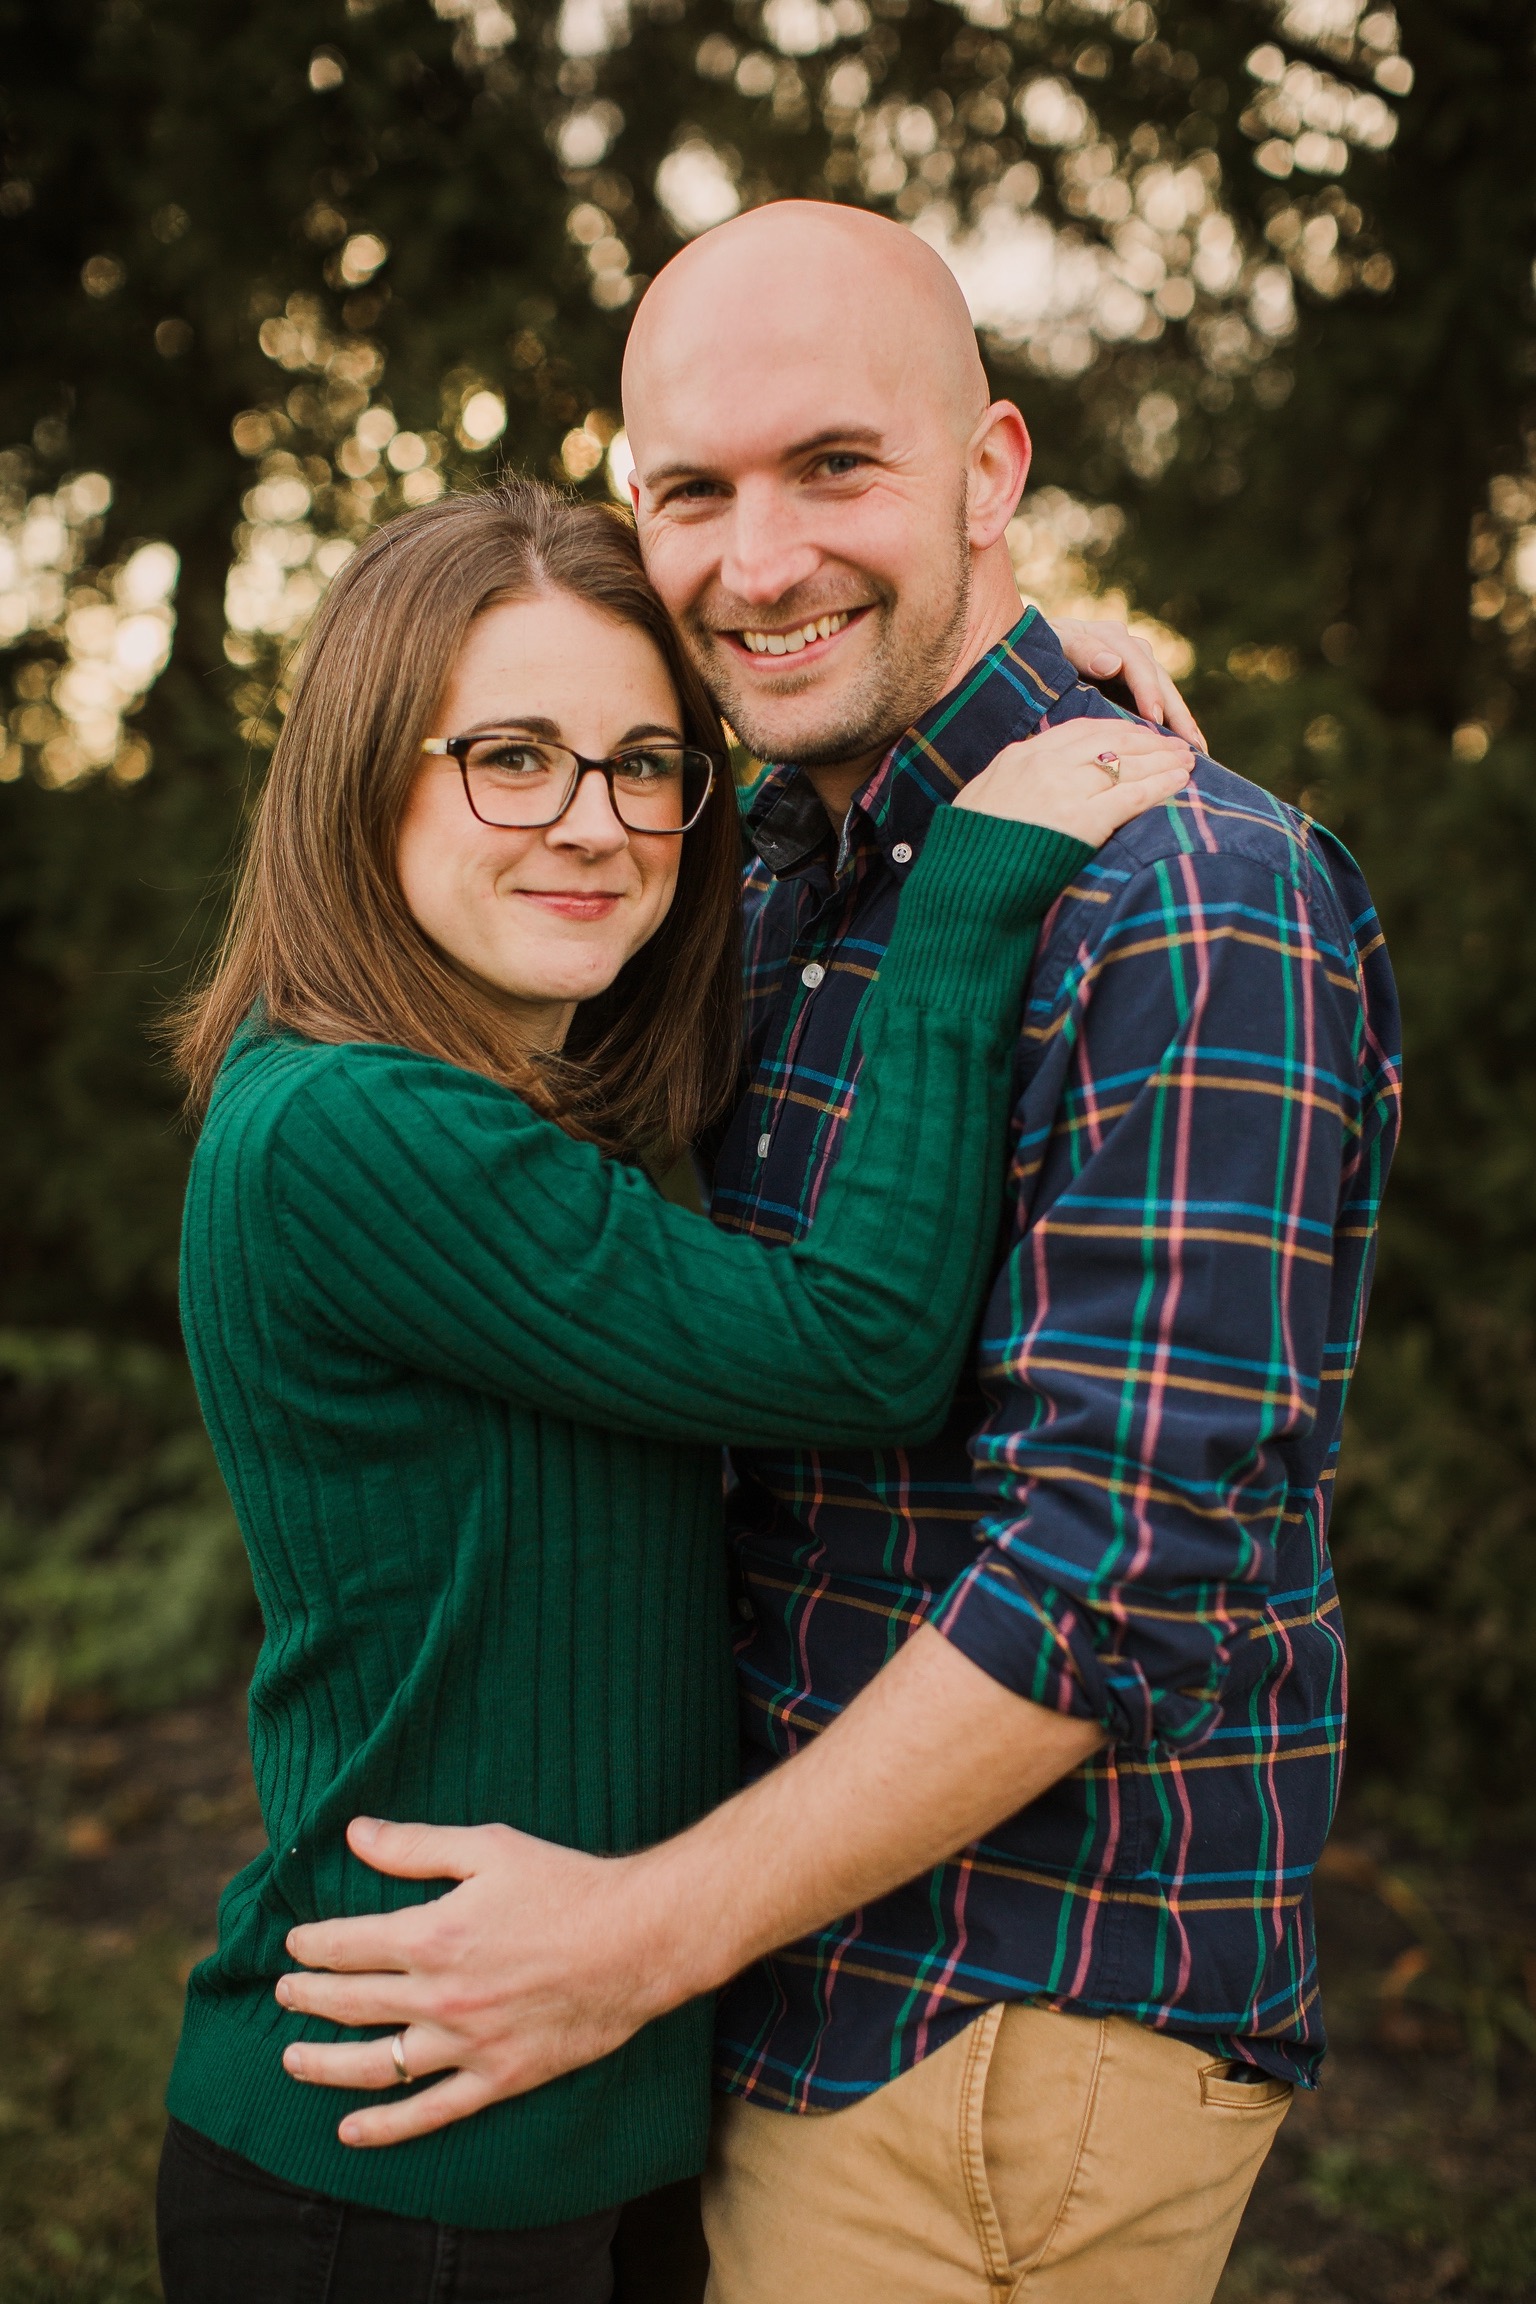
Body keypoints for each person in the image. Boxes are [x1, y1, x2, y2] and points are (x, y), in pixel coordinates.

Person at [275, 206, 1403, 2303]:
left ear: (992, 474)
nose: (760, 557)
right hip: (765, 1993)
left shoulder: (1190, 903)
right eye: (693, 490)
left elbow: (1120, 1559)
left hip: (999, 2018)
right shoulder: (775, 857)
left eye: (837, 467)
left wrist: (641, 1934)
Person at [155, 474, 1189, 2304]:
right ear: (363, 772)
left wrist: (1001, 692)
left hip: (571, 2116)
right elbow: (855, 1346)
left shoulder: (513, 1097)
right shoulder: (352, 1127)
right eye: (512, 757)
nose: (595, 822)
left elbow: (757, 850)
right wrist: (972, 886)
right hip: (399, 2164)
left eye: (647, 763)